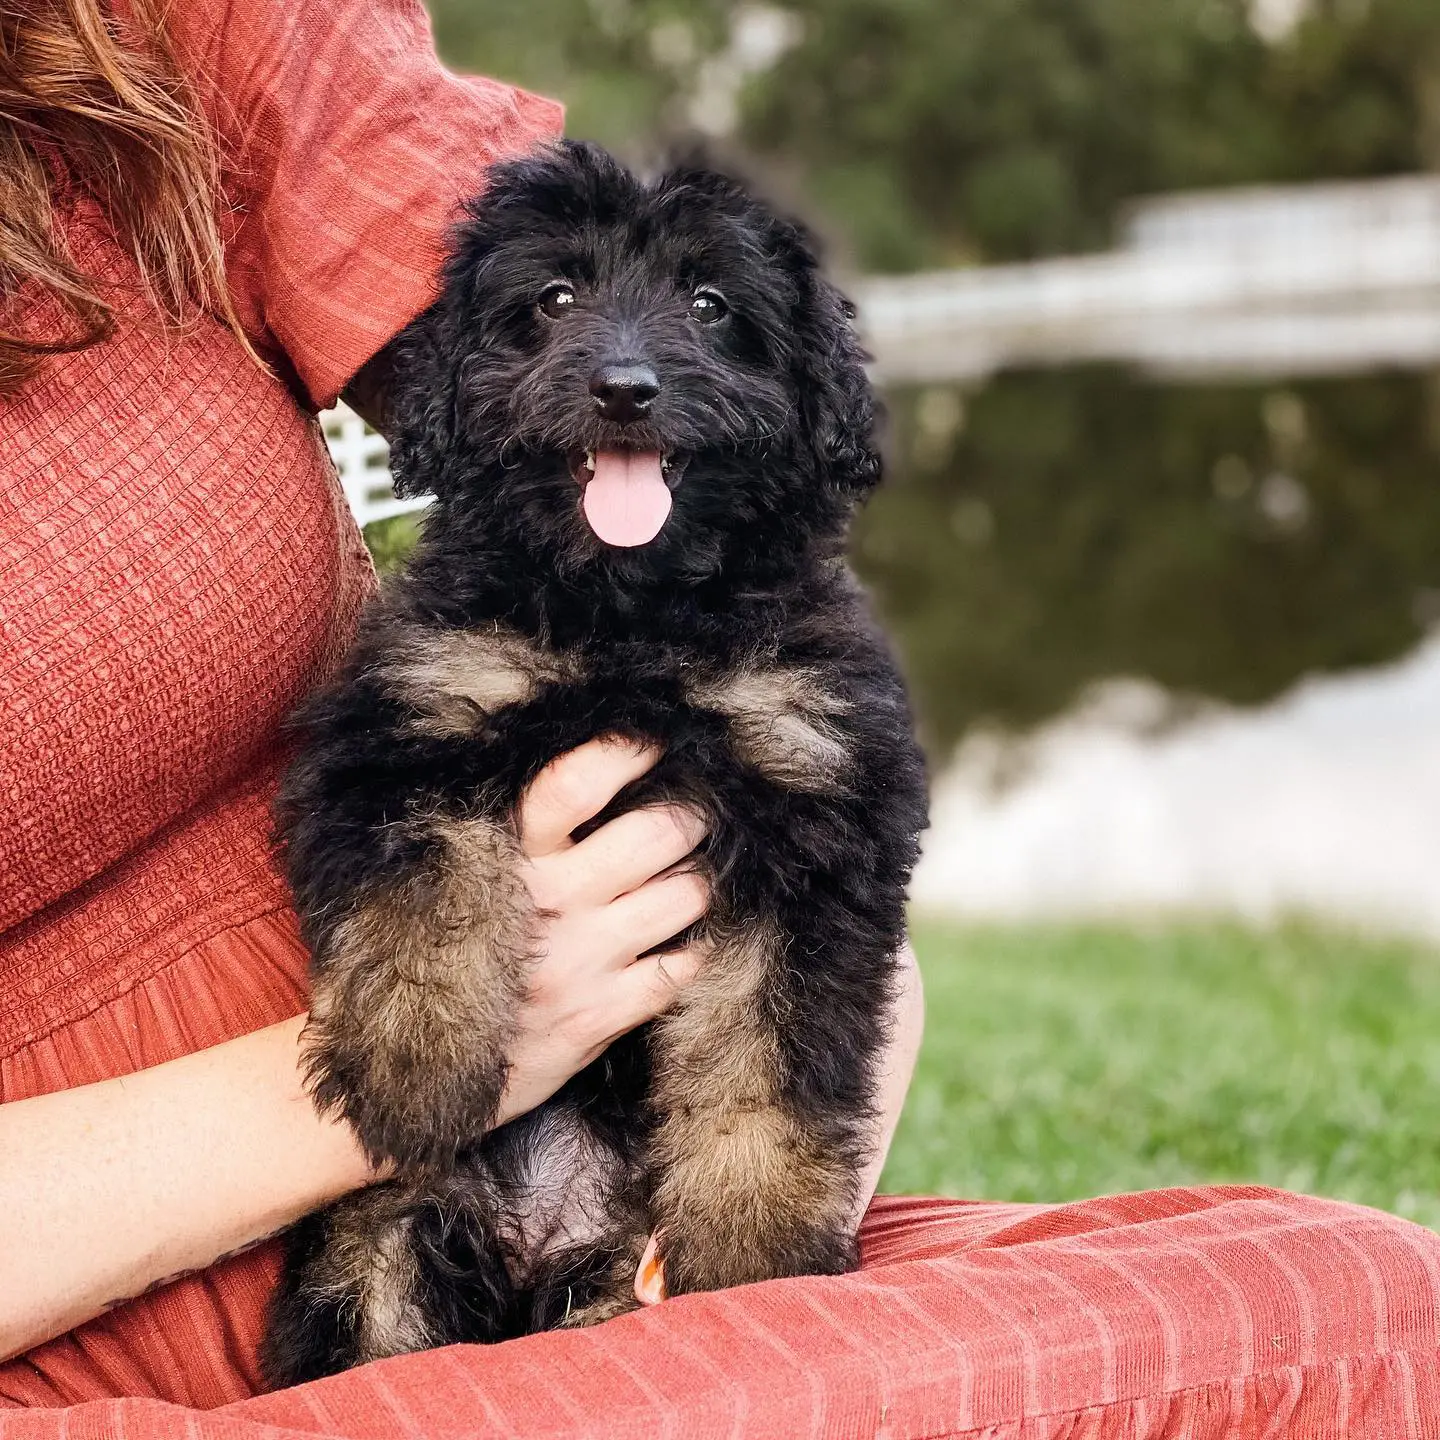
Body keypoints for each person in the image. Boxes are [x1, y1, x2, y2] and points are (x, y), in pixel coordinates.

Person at [1, 1, 1436, 1435]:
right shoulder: (453, 653)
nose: (620, 362)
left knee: (1366, 1304)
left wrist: (754, 1221)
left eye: (696, 315)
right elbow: (389, 791)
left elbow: (480, 247)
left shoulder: (126, 31)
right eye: (561, 315)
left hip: (660, 1225)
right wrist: (456, 1049)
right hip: (274, 1265)